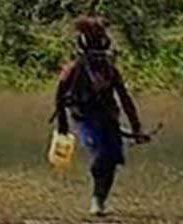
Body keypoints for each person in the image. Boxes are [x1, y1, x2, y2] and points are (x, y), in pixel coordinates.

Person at [54, 17, 147, 217]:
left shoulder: (110, 71)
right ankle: (97, 197)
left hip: (108, 117)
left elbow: (124, 98)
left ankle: (99, 198)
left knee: (113, 158)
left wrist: (136, 127)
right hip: (85, 118)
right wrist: (62, 124)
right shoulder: (73, 70)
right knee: (100, 153)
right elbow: (60, 96)